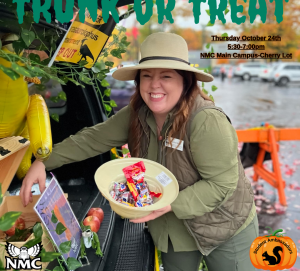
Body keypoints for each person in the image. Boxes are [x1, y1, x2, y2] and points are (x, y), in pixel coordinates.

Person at [20, 32, 258, 271]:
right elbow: (92, 139)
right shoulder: (137, 113)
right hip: (173, 229)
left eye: (166, 76)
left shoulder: (206, 121)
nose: (155, 84)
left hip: (223, 225)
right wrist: (43, 162)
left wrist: (167, 204)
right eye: (147, 76)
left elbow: (222, 184)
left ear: (185, 81)